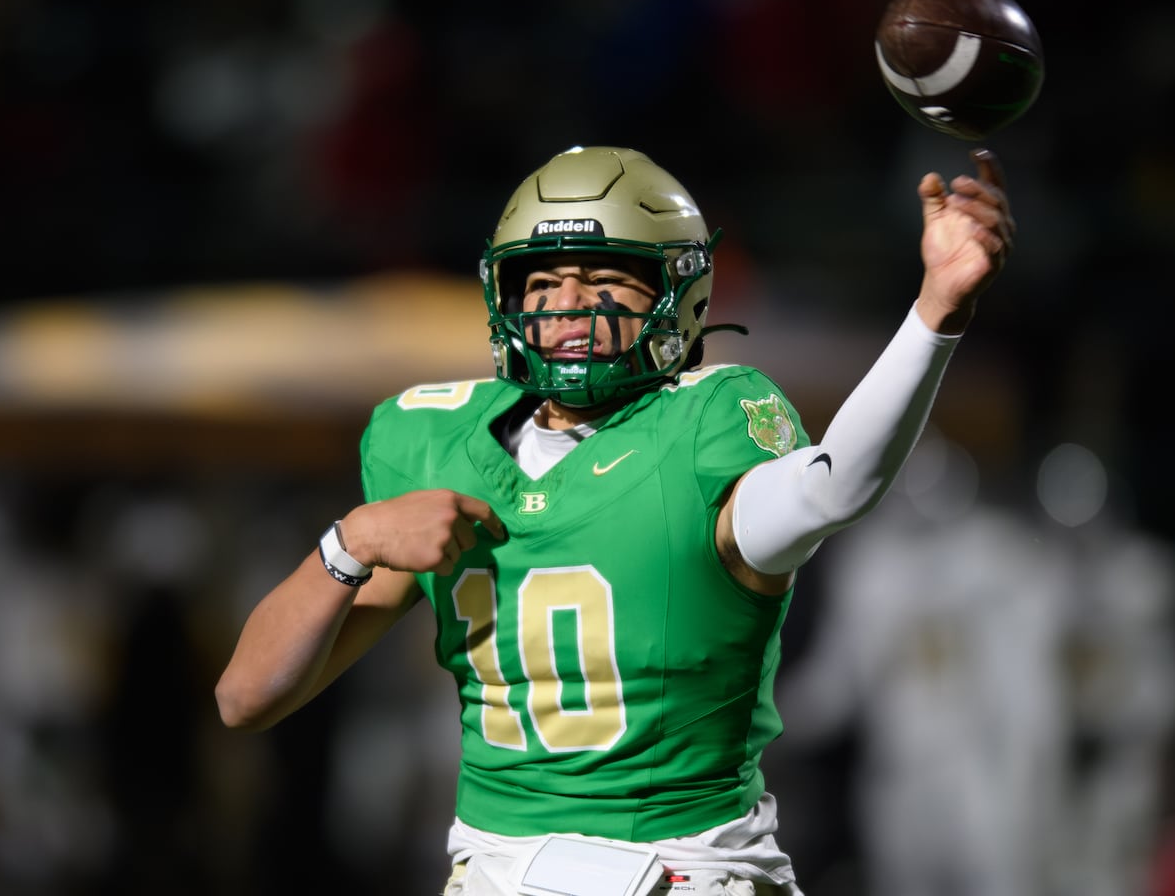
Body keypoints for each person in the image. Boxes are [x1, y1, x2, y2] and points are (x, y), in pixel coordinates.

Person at [215, 144, 1014, 896]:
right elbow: (246, 697)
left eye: (604, 279)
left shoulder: (706, 426)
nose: (568, 305)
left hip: (684, 869)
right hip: (497, 870)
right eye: (542, 280)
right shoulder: (429, 442)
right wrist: (348, 543)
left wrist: (935, 311)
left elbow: (836, 487)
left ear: (676, 292)